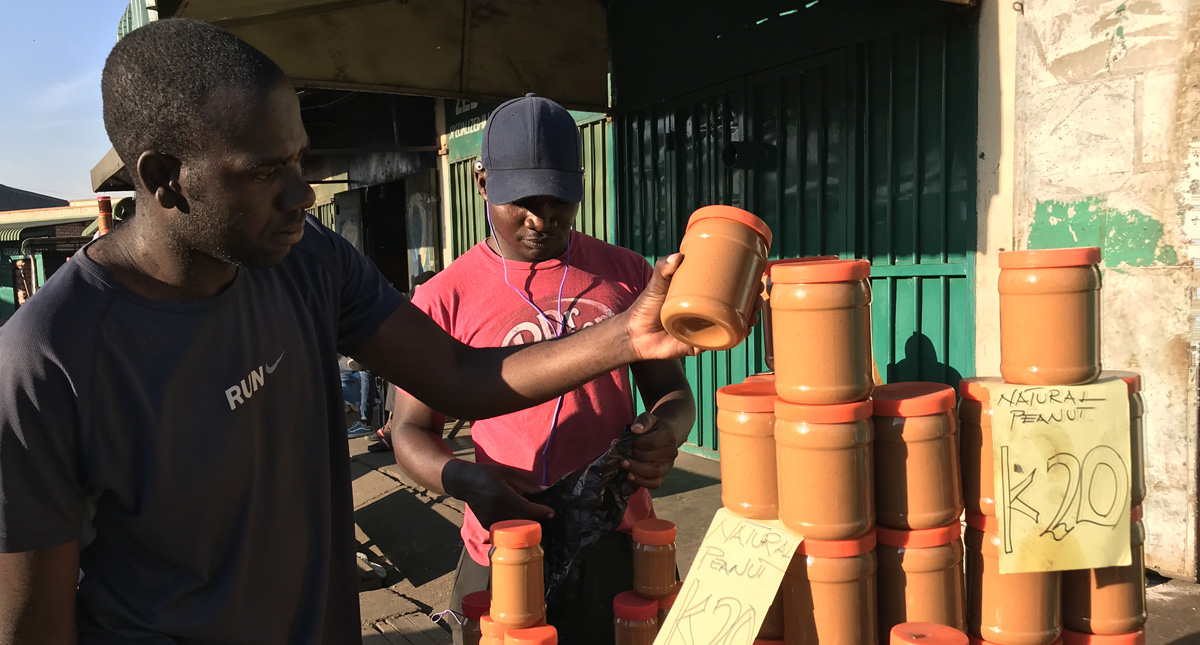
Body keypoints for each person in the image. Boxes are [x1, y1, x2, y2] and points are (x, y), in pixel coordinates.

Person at [0, 20, 698, 644]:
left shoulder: (308, 263)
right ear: (165, 178)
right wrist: (466, 477)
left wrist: (627, 336)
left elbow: (461, 377)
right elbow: (32, 625)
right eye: (266, 171)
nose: (302, 194)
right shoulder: (47, 363)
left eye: (298, 160)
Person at [390, 95, 696, 644]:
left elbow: (672, 390)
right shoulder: (443, 299)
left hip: (619, 537)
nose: (541, 219)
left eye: (558, 201)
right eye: (522, 202)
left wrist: (668, 432)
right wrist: (462, 479)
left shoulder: (627, 275)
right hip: (504, 541)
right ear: (482, 183)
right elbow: (410, 429)